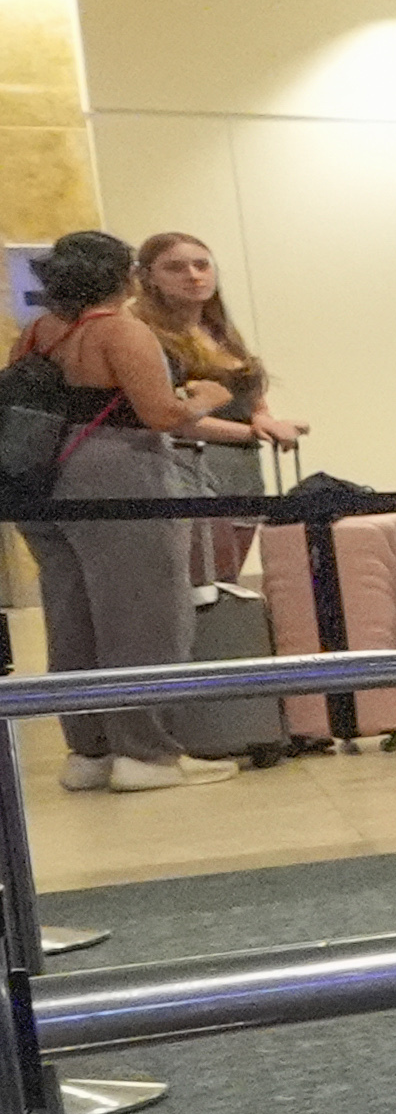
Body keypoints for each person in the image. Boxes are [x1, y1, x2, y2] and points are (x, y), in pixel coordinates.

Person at [13, 231, 259, 791]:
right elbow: (161, 414)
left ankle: (88, 751)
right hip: (114, 476)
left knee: (71, 617)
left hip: (41, 482)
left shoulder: (35, 335)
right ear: (126, 277)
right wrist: (209, 398)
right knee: (143, 615)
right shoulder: (121, 330)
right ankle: (146, 755)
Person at [131, 231, 297, 604]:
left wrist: (263, 416)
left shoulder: (219, 329)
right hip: (187, 461)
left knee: (228, 583)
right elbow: (170, 416)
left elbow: (248, 388)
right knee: (198, 585)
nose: (193, 275)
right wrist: (252, 432)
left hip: (242, 465)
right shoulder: (145, 335)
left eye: (201, 265)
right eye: (175, 268)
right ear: (148, 277)